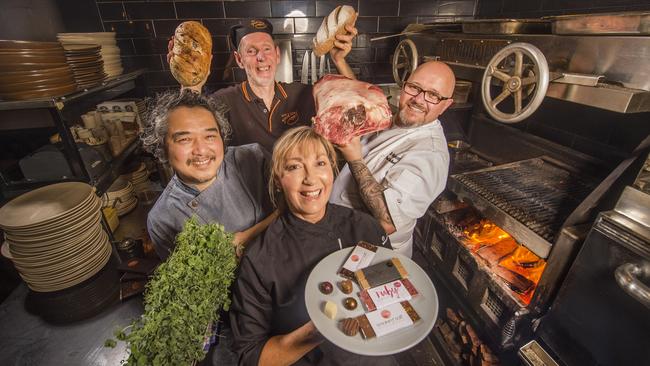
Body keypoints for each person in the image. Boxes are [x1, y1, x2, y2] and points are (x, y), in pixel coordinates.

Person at [229, 127, 396, 366]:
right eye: (294, 167)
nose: (310, 178)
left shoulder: (365, 227)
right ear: (278, 180)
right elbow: (252, 357)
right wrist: (321, 328)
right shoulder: (260, 259)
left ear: (332, 169)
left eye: (320, 163)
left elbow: (393, 290)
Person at [331, 61, 455, 258]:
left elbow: (387, 222)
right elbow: (364, 102)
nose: (419, 100)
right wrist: (339, 60)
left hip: (372, 252)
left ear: (446, 105)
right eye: (414, 87)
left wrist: (354, 157)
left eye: (433, 95)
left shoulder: (430, 155)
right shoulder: (396, 118)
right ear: (404, 85)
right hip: (340, 234)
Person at [176, 18, 357, 152]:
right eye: (251, 51)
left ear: (277, 55)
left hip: (298, 193)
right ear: (239, 60)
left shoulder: (301, 93)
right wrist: (191, 86)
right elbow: (187, 133)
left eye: (267, 49)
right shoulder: (223, 101)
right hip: (248, 195)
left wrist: (339, 60)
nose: (261, 57)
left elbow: (354, 104)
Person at [142, 90, 276, 260]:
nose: (201, 150)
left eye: (210, 136)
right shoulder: (163, 219)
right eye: (185, 139)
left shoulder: (253, 158)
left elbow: (297, 209)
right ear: (162, 147)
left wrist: (245, 237)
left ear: (222, 137)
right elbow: (192, 283)